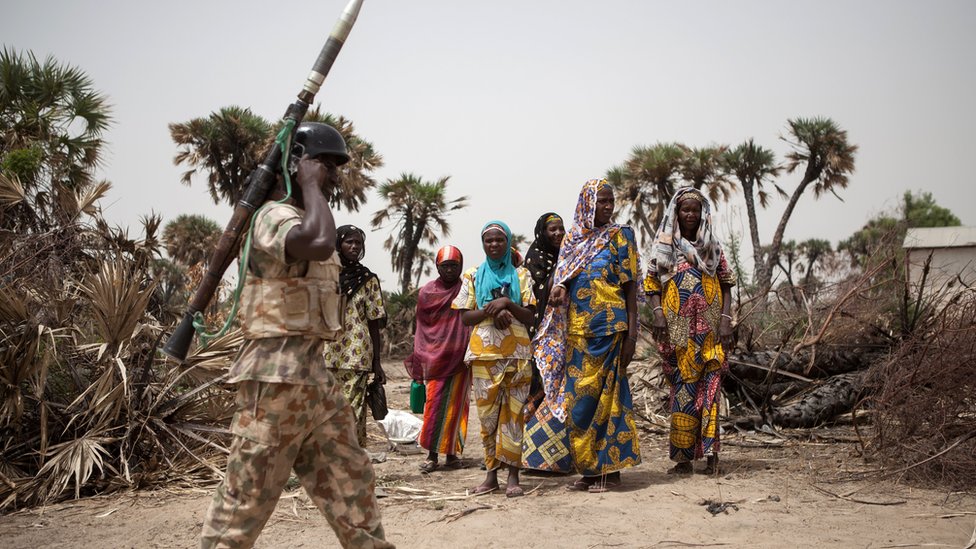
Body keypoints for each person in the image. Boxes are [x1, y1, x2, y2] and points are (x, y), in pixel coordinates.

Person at [201, 122, 392, 548]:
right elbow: (320, 241)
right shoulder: (272, 217)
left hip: (313, 376)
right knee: (247, 495)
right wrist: (310, 184)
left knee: (351, 478)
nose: (333, 173)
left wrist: (313, 188)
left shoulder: (305, 214)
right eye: (325, 163)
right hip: (273, 377)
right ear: (298, 166)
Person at [534, 179, 642, 492]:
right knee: (579, 404)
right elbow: (564, 277)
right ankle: (589, 471)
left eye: (610, 201)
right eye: (601, 202)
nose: (607, 208)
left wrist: (632, 336)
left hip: (610, 330)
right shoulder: (572, 241)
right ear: (586, 204)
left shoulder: (622, 236)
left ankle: (610, 470)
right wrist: (558, 286)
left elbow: (631, 289)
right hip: (577, 334)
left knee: (610, 401)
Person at [644, 187, 735, 475]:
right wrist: (658, 314)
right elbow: (651, 284)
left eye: (696, 209)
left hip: (709, 328)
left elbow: (726, 284)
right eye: (685, 209)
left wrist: (724, 320)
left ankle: (711, 457)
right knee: (682, 391)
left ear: (703, 213)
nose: (691, 214)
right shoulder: (664, 248)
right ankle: (683, 460)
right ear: (676, 213)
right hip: (677, 329)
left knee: (710, 391)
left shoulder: (713, 247)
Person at [452, 221, 536, 497]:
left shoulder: (522, 275)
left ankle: (513, 477)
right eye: (489, 241)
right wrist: (492, 309)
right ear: (483, 244)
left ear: (508, 242)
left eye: (499, 240)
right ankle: (491, 476)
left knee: (514, 417)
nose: (494, 245)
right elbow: (465, 316)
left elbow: (530, 314)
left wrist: (507, 303)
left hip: (517, 355)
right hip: (484, 355)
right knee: (487, 419)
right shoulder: (473, 276)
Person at [404, 245, 472, 473]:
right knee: (433, 407)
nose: (450, 270)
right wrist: (421, 356)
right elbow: (423, 328)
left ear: (460, 266)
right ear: (437, 267)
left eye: (454, 266)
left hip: (461, 359)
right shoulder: (427, 292)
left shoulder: (467, 289)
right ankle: (432, 455)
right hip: (435, 357)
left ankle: (451, 455)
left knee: (457, 409)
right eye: (445, 266)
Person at [323, 224, 388, 447]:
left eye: (358, 242)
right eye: (348, 241)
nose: (353, 246)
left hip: (357, 355)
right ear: (338, 244)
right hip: (326, 354)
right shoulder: (324, 276)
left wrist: (376, 363)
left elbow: (373, 322)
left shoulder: (368, 280)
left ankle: (350, 458)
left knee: (353, 411)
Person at [520, 212, 574, 474]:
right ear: (542, 232)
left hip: (565, 334)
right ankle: (532, 457)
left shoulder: (569, 255)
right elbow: (538, 293)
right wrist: (561, 270)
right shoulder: (536, 259)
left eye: (561, 228)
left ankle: (559, 457)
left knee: (561, 390)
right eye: (552, 229)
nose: (558, 234)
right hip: (540, 335)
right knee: (540, 387)